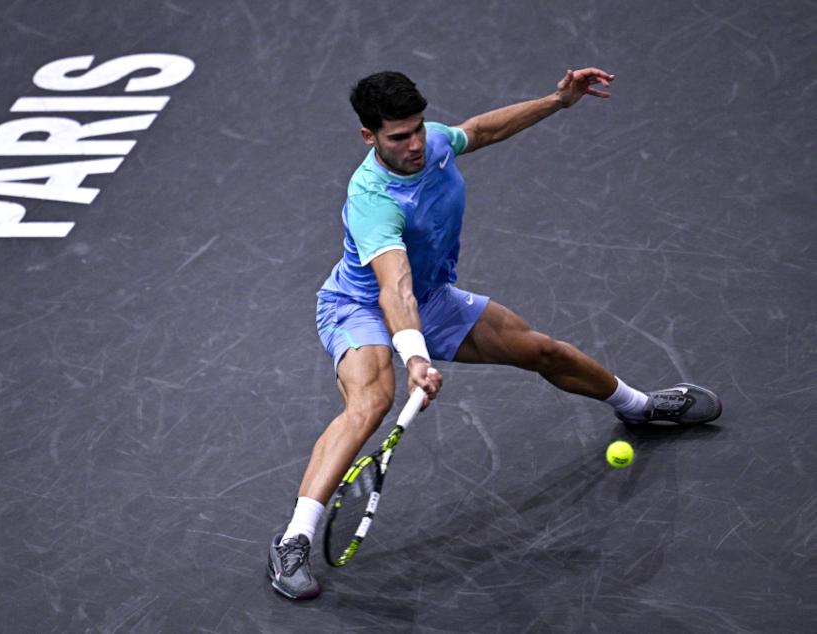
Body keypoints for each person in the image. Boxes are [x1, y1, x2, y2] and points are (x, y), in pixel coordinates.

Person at [266, 68, 722, 600]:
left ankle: (639, 407)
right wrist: (414, 357)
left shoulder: (432, 141)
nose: (415, 144)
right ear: (369, 137)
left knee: (542, 350)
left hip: (432, 298)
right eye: (398, 137)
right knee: (371, 401)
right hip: (360, 306)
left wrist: (558, 101)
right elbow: (395, 289)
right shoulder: (374, 199)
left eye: (417, 129)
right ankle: (293, 540)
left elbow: (480, 131)